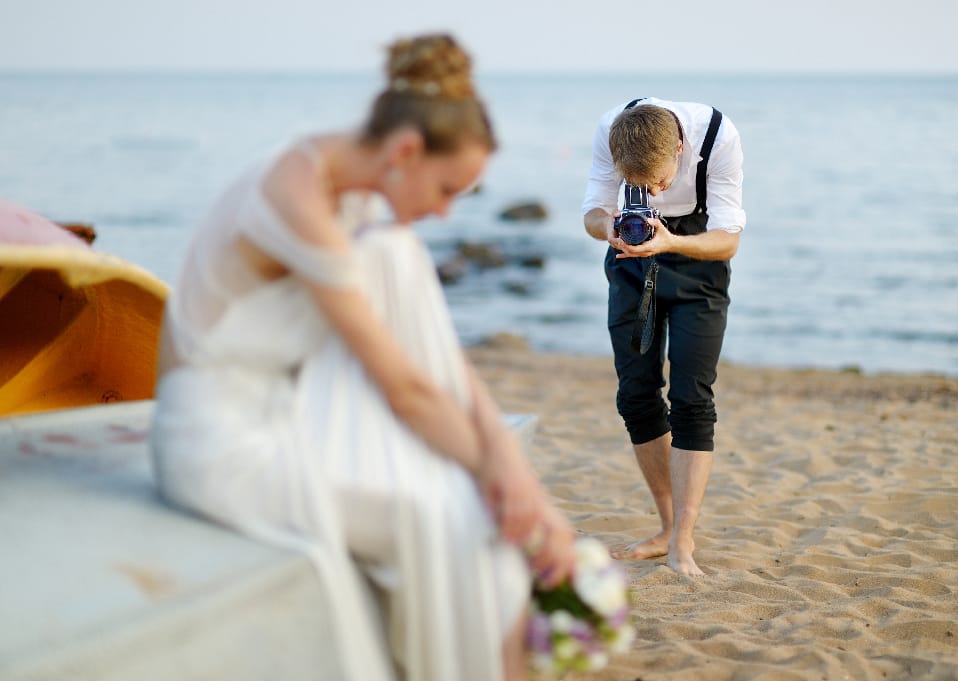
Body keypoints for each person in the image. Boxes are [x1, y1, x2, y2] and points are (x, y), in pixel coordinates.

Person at [149, 34, 576, 681]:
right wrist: (510, 487)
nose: (445, 211)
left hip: (289, 412)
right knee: (455, 516)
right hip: (219, 438)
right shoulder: (296, 197)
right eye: (446, 188)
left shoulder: (366, 200)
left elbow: (443, 368)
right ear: (406, 150)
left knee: (480, 512)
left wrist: (511, 469)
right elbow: (405, 385)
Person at [581, 97, 745, 576]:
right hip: (632, 265)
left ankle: (684, 542)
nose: (652, 193)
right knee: (635, 396)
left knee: (692, 397)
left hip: (700, 264)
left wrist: (671, 241)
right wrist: (608, 227)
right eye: (640, 186)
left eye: (658, 182)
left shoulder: (719, 136)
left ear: (679, 148)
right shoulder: (611, 128)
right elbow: (592, 212)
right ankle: (667, 525)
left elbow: (728, 238)